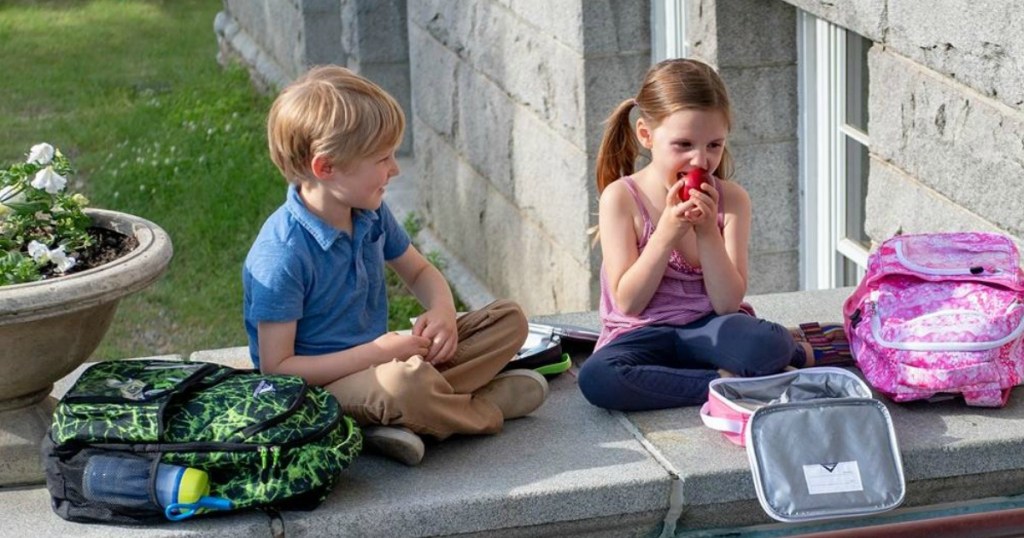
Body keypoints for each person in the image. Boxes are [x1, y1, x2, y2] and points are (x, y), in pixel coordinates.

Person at [243, 65, 549, 466]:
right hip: (319, 390)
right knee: (405, 384)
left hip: (383, 363)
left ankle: (404, 419)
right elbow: (279, 370)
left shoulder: (368, 212)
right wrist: (377, 352)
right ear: (325, 167)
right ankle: (482, 409)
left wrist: (441, 312)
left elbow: (420, 272)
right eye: (382, 158)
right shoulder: (281, 253)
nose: (395, 169)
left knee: (509, 319)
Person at [577, 59, 849, 412]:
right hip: (640, 334)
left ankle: (769, 361)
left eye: (713, 145)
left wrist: (707, 232)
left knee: (766, 346)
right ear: (646, 135)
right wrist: (666, 234)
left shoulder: (732, 199)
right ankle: (727, 382)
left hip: (711, 327)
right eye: (684, 144)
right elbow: (629, 302)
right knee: (599, 379)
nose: (700, 160)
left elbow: (727, 303)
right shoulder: (621, 197)